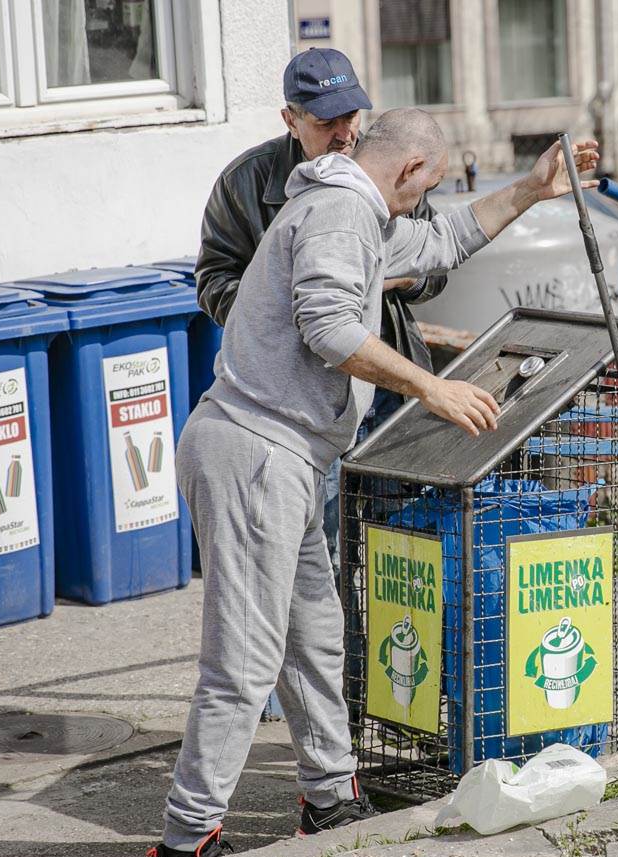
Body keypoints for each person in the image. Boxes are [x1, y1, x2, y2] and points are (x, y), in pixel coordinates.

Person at [138, 108, 600, 857]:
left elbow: (448, 239)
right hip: (256, 450)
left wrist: (529, 190)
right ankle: (184, 847)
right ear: (410, 173)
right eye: (431, 184)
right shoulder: (339, 213)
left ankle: (330, 797)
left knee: (316, 633)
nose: (428, 200)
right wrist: (432, 386)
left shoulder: (357, 209)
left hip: (283, 453)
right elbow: (326, 328)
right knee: (244, 664)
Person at [194, 47, 444, 723]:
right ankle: (290, 696)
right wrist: (295, 281)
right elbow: (213, 280)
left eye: (353, 113)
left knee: (393, 543)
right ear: (291, 118)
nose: (345, 131)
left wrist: (383, 273)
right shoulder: (246, 182)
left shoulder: (382, 161)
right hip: (296, 403)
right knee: (316, 558)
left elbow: (435, 256)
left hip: (384, 376)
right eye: (328, 118)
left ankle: (387, 694)